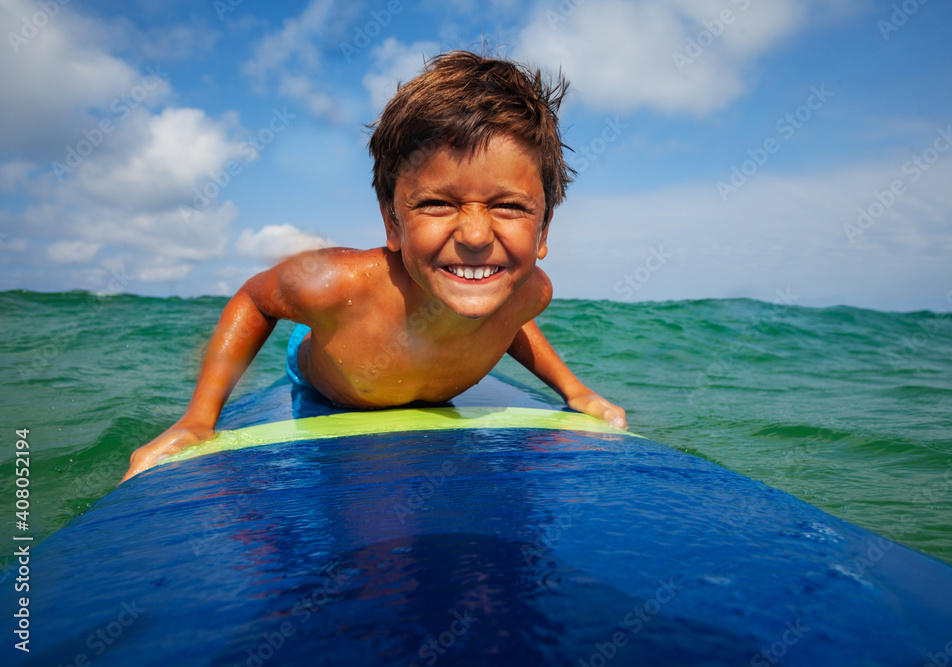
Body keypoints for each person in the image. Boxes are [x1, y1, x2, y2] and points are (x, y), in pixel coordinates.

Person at [122, 50, 627, 482]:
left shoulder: (531, 291)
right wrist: (199, 419)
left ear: (544, 229)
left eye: (510, 207)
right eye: (436, 204)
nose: (475, 235)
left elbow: (511, 318)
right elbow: (255, 298)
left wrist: (576, 392)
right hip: (334, 344)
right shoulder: (333, 285)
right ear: (391, 220)